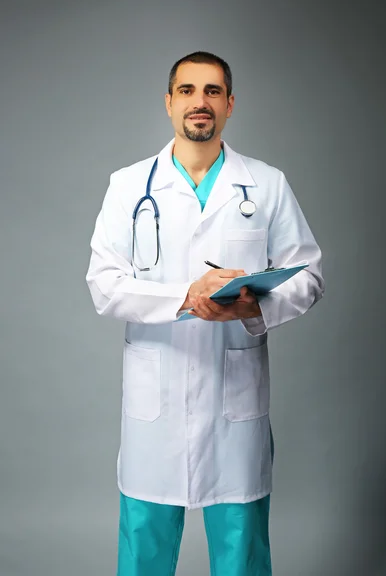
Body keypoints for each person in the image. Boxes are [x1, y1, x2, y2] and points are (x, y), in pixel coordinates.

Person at [85, 51, 324, 576]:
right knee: (144, 547)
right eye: (188, 91)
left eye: (212, 91)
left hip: (233, 403)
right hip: (157, 404)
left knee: (241, 551)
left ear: (230, 104)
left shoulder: (266, 184)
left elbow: (308, 275)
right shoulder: (127, 186)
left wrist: (252, 307)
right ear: (169, 103)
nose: (200, 102)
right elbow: (104, 285)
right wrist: (185, 297)